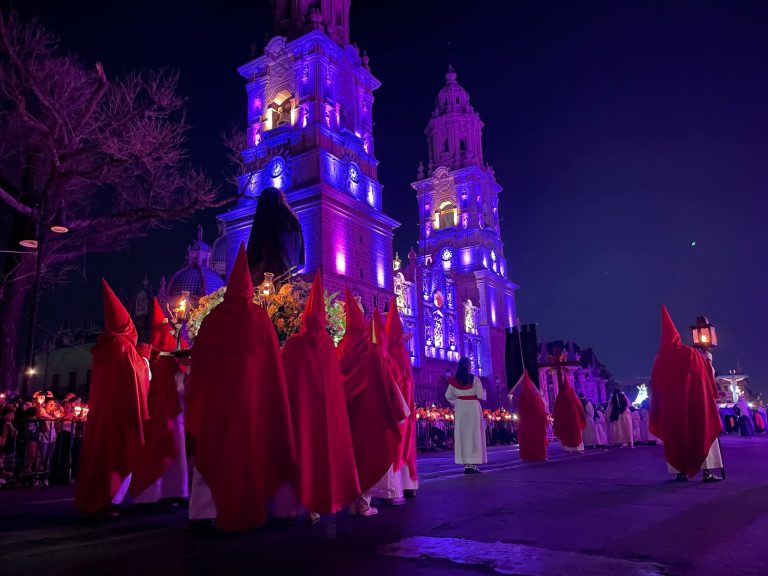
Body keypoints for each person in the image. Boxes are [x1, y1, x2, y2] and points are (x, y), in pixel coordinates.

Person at [186, 243, 295, 531]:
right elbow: (272, 367)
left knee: (211, 452)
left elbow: (198, 362)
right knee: (245, 454)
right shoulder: (260, 319)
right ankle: (246, 509)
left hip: (216, 405)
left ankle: (201, 512)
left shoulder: (211, 320)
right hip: (249, 404)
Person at [280, 271, 359, 523]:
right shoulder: (328, 344)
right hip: (324, 416)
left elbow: (284, 377)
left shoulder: (293, 343)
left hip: (300, 413)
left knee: (301, 454)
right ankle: (322, 501)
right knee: (323, 456)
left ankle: (298, 504)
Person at [75, 279, 150, 517]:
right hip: (120, 413)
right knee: (115, 455)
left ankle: (94, 498)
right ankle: (107, 501)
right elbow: (138, 374)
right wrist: (145, 358)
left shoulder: (105, 346)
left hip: (103, 413)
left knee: (99, 454)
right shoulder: (122, 346)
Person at [338, 290, 404, 517]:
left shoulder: (340, 351)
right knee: (370, 454)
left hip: (348, 417)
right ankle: (364, 503)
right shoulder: (373, 351)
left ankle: (351, 501)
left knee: (352, 457)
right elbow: (387, 379)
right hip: (372, 414)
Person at [650, 306, 723, 482]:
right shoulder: (690, 354)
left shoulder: (659, 360)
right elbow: (706, 376)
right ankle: (708, 472)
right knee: (702, 432)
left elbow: (656, 387)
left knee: (676, 438)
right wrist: (708, 358)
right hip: (696, 404)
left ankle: (680, 471)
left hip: (672, 411)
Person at [130, 298, 188, 504]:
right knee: (167, 451)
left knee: (168, 451)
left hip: (165, 413)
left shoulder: (159, 358)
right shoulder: (164, 358)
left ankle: (170, 492)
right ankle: (166, 492)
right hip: (166, 414)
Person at [385, 298, 419, 498]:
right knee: (404, 443)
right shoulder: (401, 353)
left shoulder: (384, 352)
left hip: (392, 405)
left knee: (393, 443)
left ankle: (392, 488)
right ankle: (406, 486)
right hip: (403, 405)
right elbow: (407, 381)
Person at [246, 187, 304, 286]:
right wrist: (285, 204)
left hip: (272, 262)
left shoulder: (262, 220)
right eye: (282, 199)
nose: (284, 202)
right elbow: (294, 223)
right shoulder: (281, 218)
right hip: (276, 262)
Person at [445, 357, 487, 473]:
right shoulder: (475, 379)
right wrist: (484, 394)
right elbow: (479, 395)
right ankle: (472, 463)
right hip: (473, 408)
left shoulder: (453, 381)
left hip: (461, 409)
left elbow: (448, 395)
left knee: (463, 434)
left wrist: (457, 402)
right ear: (469, 366)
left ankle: (465, 463)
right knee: (474, 434)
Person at [513, 372, 548, 461]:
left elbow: (519, 411)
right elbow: (542, 411)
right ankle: (539, 455)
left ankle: (527, 455)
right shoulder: (537, 398)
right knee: (537, 439)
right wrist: (544, 421)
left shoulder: (522, 397)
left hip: (526, 424)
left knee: (528, 439)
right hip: (536, 424)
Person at [553, 372, 587, 453]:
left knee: (567, 433)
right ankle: (577, 449)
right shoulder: (572, 395)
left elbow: (557, 409)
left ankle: (569, 449)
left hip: (565, 419)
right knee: (575, 433)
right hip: (574, 418)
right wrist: (581, 415)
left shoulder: (560, 396)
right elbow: (580, 407)